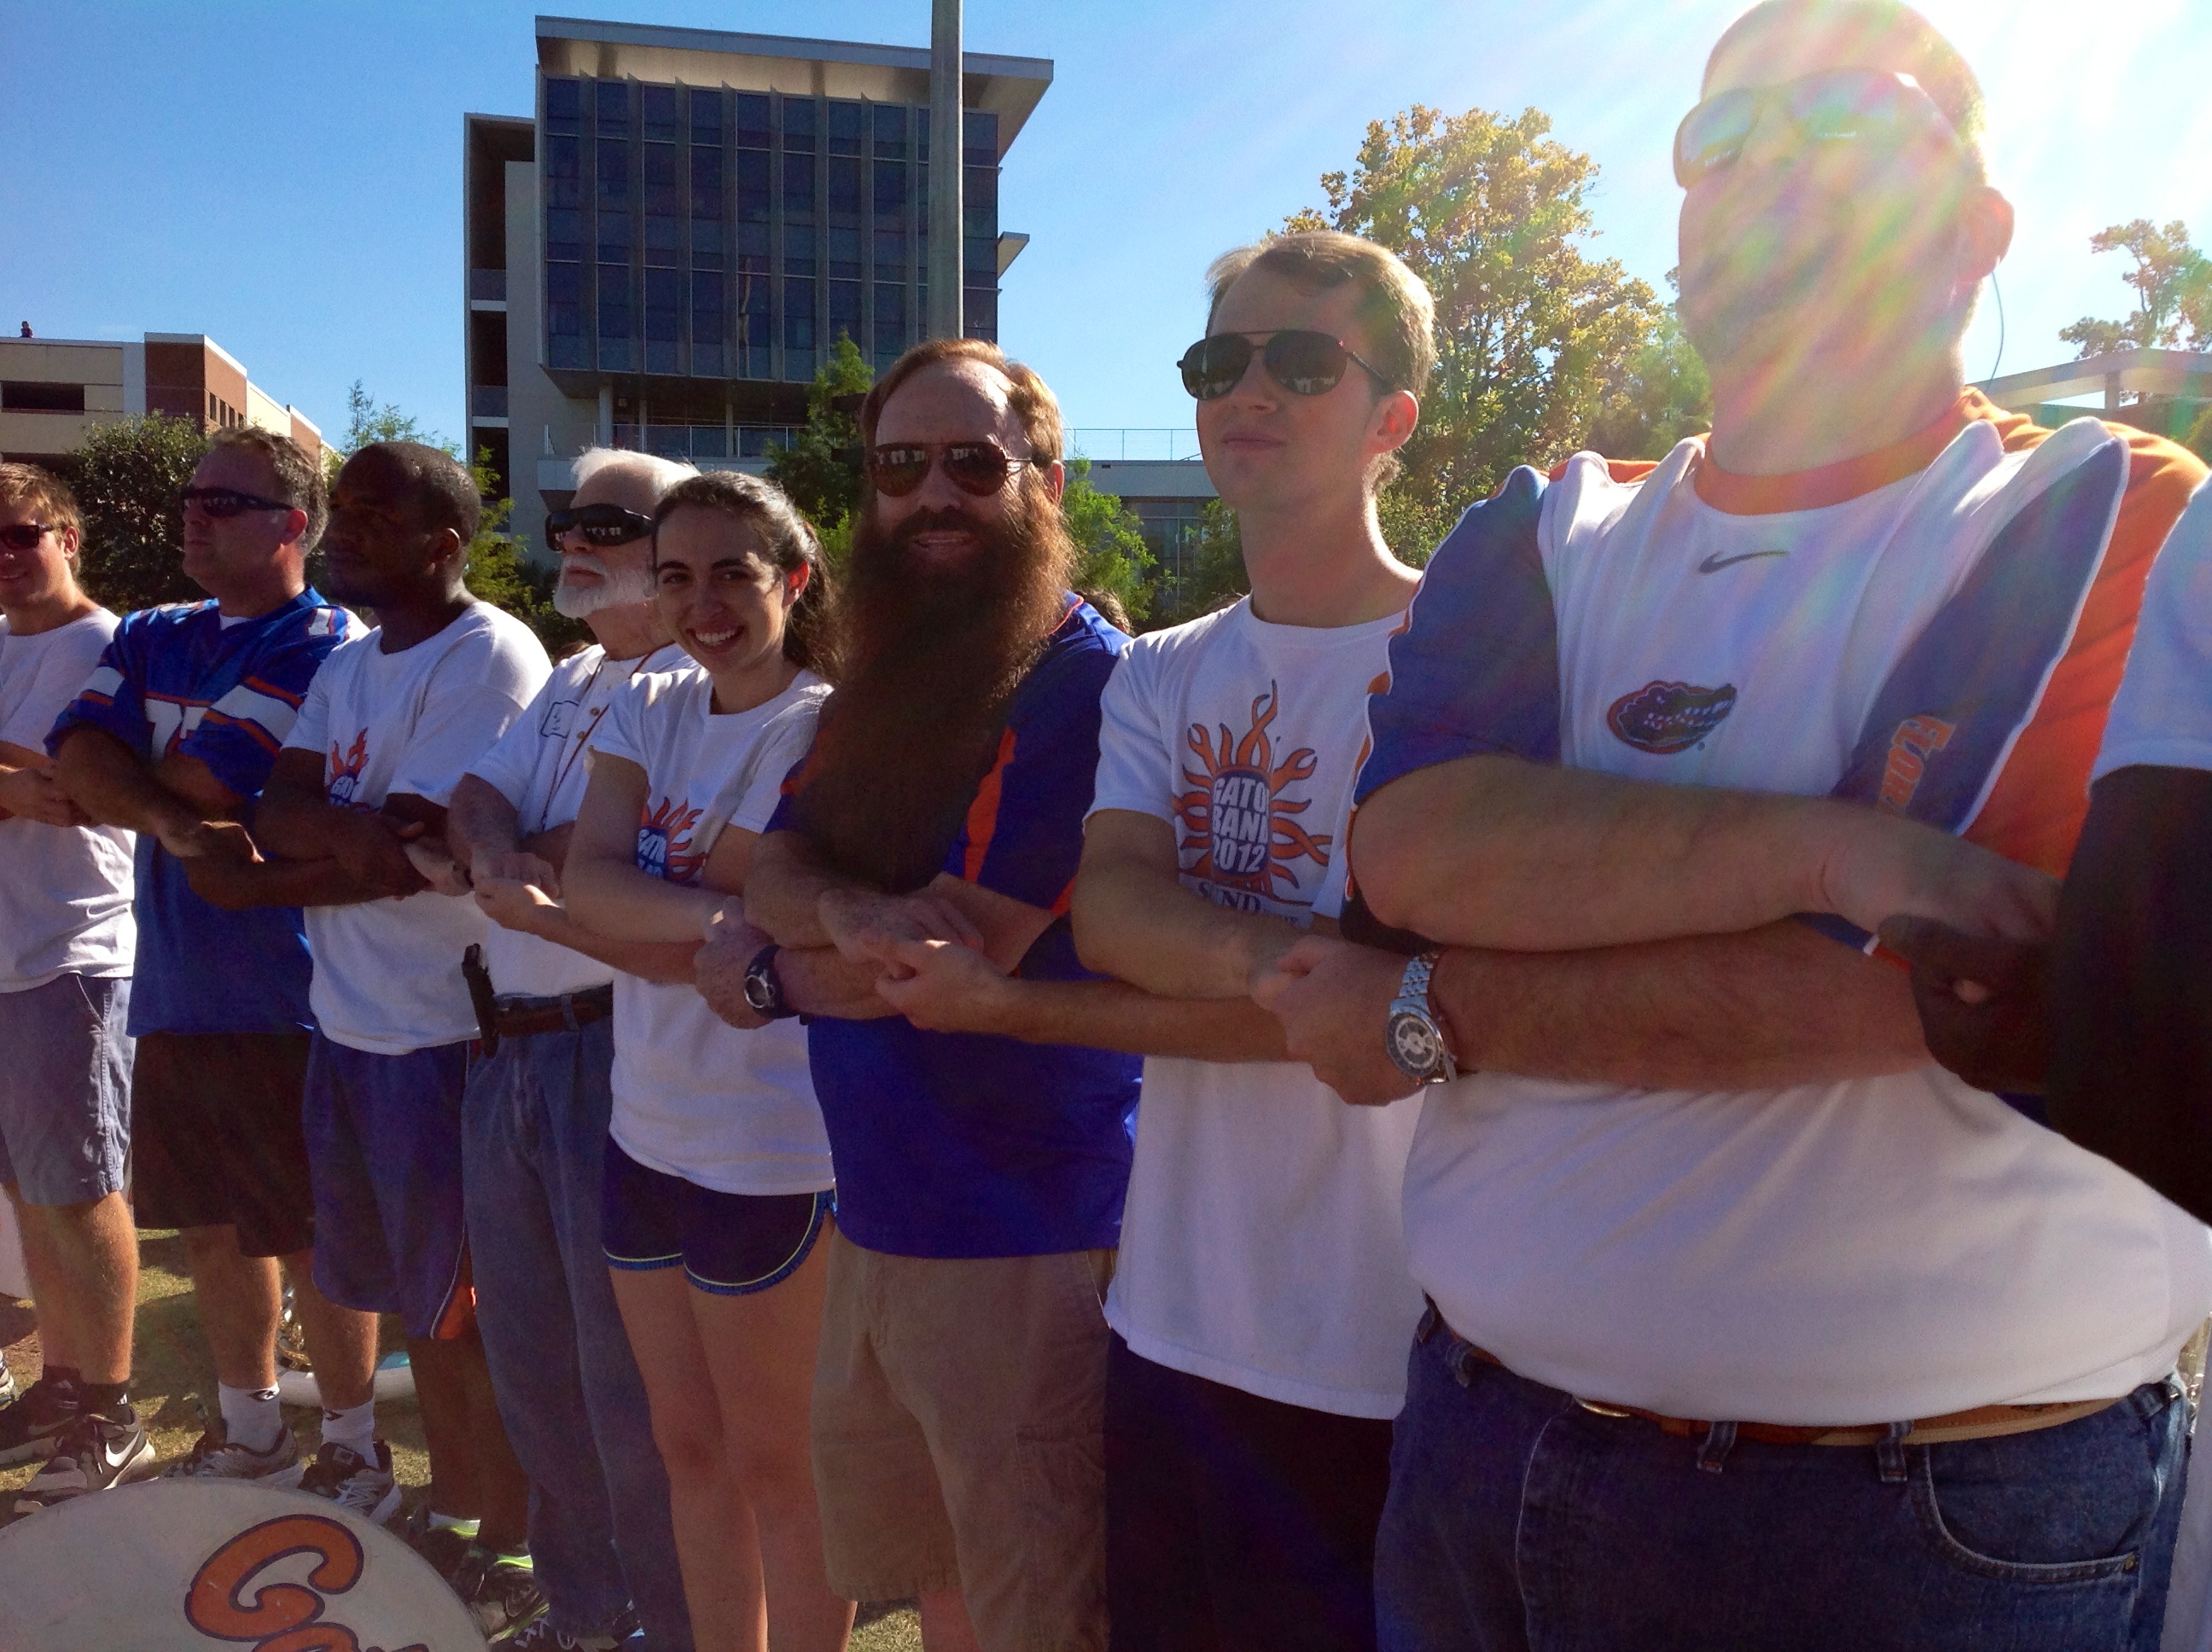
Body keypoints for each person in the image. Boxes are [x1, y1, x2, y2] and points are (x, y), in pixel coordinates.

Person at [1256, 3, 2212, 1647]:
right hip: (1480, 1451)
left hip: (1925, 1529)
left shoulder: (2107, 518)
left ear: (1975, 229)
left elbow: (1926, 983)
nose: (1764, 158)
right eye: (1720, 135)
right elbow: (1414, 849)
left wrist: (1431, 1009)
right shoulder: (1546, 524)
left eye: (1842, 122)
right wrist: (1823, 850)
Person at [727, 337, 1145, 1652]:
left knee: (1043, 1611)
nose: (933, 497)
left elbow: (946, 969)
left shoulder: (1081, 683)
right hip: (885, 1219)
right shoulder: (887, 681)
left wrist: (758, 968)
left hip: (1023, 1242)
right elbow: (779, 865)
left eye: (975, 463)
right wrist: (832, 919)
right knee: (937, 1586)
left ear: (1047, 484)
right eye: (901, 467)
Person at [1070, 232, 1433, 1649]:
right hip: (1167, 1320)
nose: (1248, 391)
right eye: (1220, 362)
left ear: (1390, 415)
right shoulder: (1161, 669)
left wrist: (1207, 944)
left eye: (1301, 360)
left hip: (1388, 1342)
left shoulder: (1461, 656)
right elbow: (1110, 909)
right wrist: (1320, 971)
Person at [47, 428, 378, 1504]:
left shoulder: (325, 639)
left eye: (224, 503)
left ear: (292, 525)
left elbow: (200, 778)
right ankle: (252, 1429)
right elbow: (78, 756)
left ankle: (357, 1443)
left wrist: (143, 798)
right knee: (216, 1225)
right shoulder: (152, 628)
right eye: (192, 498)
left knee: (313, 1227)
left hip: (295, 993)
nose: (194, 515)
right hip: (178, 986)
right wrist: (167, 821)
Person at [243, 443, 547, 1585]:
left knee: (473, 1312)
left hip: (449, 1034)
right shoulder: (355, 663)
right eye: (343, 512)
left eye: (375, 515)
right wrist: (341, 838)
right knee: (420, 1310)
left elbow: (416, 843)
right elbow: (284, 809)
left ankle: (511, 1537)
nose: (344, 531)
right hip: (354, 1026)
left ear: (445, 545)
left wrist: (331, 841)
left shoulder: (490, 655)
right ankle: (460, 1507)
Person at [560, 471, 847, 1652]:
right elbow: (591, 879)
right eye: (676, 576)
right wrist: (705, 921)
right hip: (648, 1132)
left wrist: (648, 908)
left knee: (780, 1467)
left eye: (734, 571)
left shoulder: (822, 720)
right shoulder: (652, 701)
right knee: (688, 1451)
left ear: (794, 578)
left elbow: (687, 894)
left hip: (769, 1151)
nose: (703, 602)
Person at [440, 447, 698, 1652]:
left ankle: (669, 1622)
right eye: (565, 521)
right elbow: (478, 799)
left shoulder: (701, 688)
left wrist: (521, 853)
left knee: (629, 1388)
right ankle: (587, 1614)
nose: (571, 543)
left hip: (615, 1051)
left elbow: (617, 853)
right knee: (535, 1371)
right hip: (508, 1050)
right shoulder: (575, 674)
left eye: (604, 523)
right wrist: (500, 851)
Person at [0, 465, 141, 1507]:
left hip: (71, 954)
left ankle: (114, 1407)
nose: (6, 558)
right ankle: (57, 1382)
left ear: (69, 537)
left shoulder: (101, 647)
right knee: (27, 1190)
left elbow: (63, 789)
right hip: (6, 956)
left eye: (20, 535)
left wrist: (23, 783)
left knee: (81, 1186)